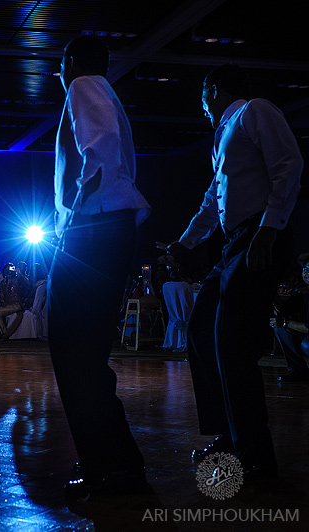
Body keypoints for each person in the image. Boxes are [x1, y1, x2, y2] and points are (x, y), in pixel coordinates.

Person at [163, 64, 303, 479]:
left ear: (212, 90)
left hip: (260, 236)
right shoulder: (224, 133)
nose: (201, 105)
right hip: (236, 243)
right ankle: (229, 434)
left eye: (202, 96)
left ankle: (255, 454)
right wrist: (185, 243)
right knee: (202, 328)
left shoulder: (254, 111)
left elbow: (290, 165)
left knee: (230, 340)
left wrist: (269, 229)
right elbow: (213, 198)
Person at [47, 36, 151, 501]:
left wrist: (71, 216)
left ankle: (109, 468)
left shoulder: (84, 84)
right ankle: (113, 462)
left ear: (69, 62)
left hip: (96, 226)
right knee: (83, 355)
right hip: (112, 226)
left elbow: (101, 147)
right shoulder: (105, 90)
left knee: (73, 353)